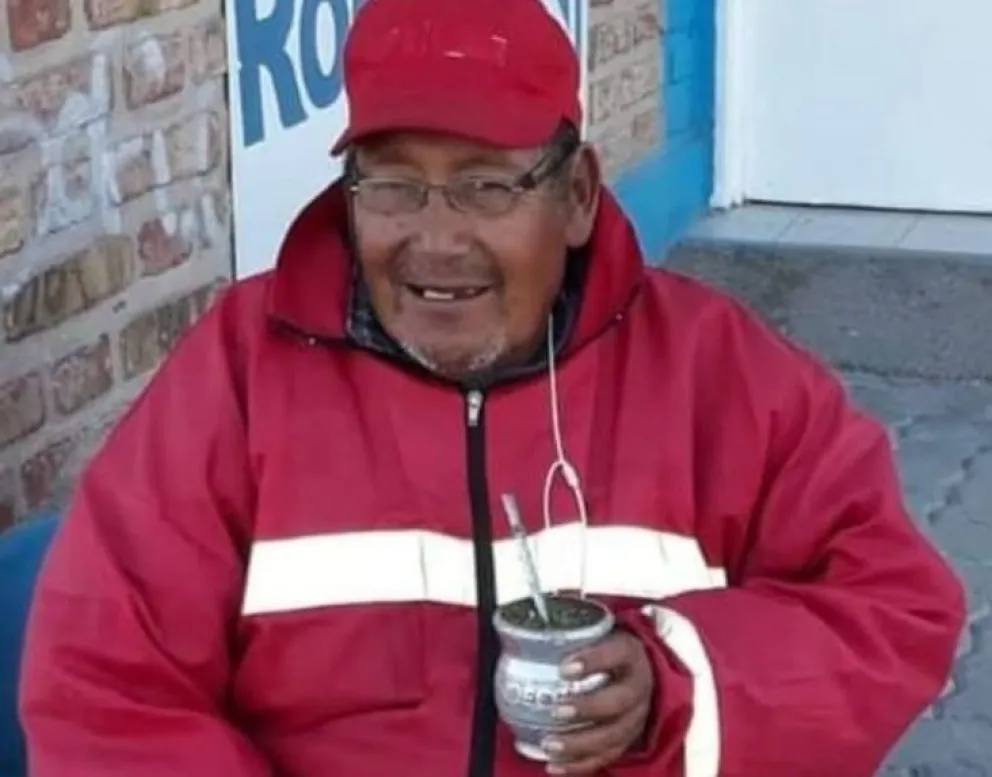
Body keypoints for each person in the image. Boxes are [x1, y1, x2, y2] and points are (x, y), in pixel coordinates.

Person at [19, 0, 964, 775]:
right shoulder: (239, 370)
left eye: (485, 187)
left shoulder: (716, 372)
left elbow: (892, 607)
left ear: (580, 194)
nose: (435, 240)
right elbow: (103, 686)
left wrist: (672, 682)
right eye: (392, 186)